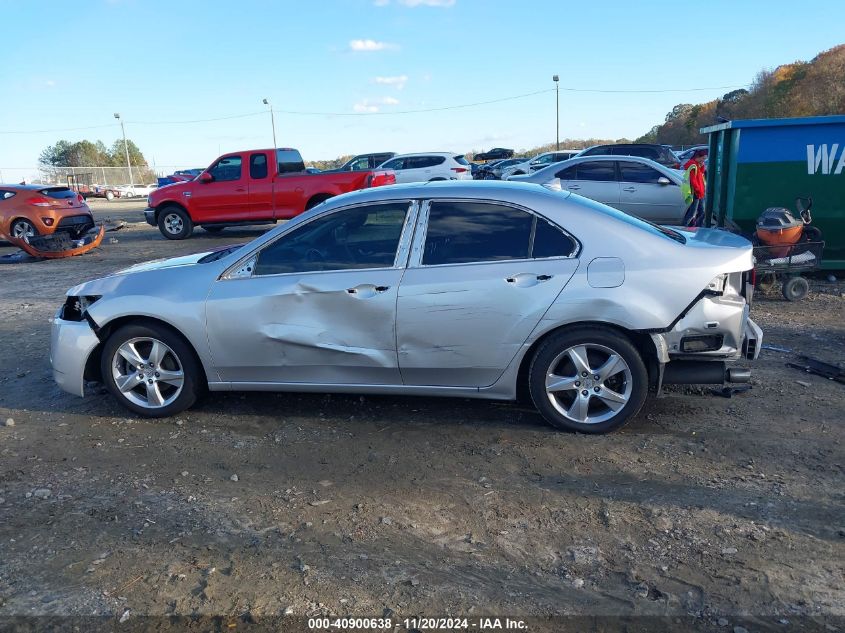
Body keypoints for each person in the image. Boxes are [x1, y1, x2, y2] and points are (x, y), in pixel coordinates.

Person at [681, 149, 707, 227]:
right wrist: (698, 190)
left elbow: (702, 173)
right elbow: (693, 180)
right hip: (696, 192)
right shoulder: (692, 165)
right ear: (698, 157)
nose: (703, 160)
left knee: (701, 211)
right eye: (703, 158)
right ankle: (685, 227)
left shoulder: (697, 164)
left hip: (700, 192)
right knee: (692, 212)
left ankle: (698, 226)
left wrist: (702, 165)